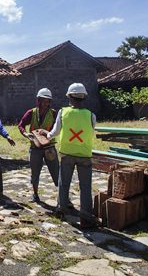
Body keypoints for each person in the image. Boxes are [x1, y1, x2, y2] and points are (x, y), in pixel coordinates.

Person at [39, 83, 97, 228]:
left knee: (64, 183)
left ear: (70, 97)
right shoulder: (91, 115)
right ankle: (86, 217)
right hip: (85, 155)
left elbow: (55, 132)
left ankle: (61, 210)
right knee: (85, 187)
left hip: (67, 154)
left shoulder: (63, 112)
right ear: (84, 97)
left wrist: (46, 133)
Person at [18, 88, 59, 203]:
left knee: (56, 172)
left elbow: (59, 128)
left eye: (48, 101)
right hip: (35, 148)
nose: (46, 104)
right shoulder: (31, 113)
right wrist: (26, 134)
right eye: (43, 101)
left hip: (49, 147)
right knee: (35, 173)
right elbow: (21, 125)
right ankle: (35, 194)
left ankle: (63, 196)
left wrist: (49, 134)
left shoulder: (54, 113)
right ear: (39, 100)